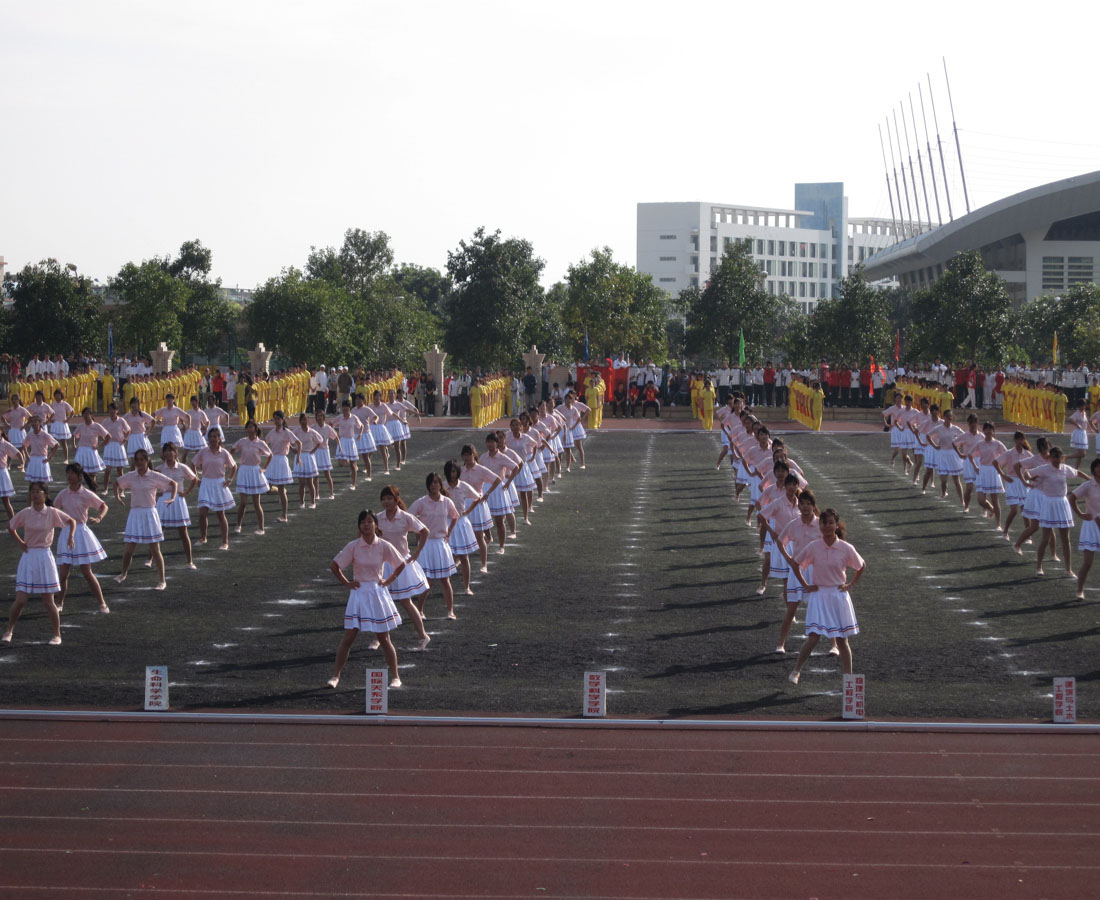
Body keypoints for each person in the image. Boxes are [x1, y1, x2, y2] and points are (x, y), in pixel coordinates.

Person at [327, 509, 406, 689]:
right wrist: (347, 583)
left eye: (370, 521)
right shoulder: (353, 546)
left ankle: (395, 676)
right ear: (359, 526)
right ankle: (335, 676)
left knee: (384, 638)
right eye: (363, 522)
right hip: (359, 594)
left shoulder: (384, 545)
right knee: (349, 638)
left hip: (377, 594)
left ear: (376, 525)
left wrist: (389, 580)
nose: (366, 525)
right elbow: (334, 565)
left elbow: (401, 564)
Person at [787, 508, 865, 684]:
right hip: (819, 595)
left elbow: (861, 566)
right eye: (824, 523)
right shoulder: (814, 546)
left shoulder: (845, 548)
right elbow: (795, 563)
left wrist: (851, 584)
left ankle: (849, 680)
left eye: (831, 523)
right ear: (820, 525)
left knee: (842, 640)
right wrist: (805, 585)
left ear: (837, 525)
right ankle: (796, 671)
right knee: (814, 637)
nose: (827, 526)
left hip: (838, 596)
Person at [4, 482, 76, 645]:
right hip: (28, 556)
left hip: (44, 557)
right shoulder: (26, 513)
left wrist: (71, 536)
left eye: (38, 491)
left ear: (45, 495)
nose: (35, 494)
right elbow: (11, 526)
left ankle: (56, 635)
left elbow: (71, 521)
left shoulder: (51, 512)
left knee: (48, 601)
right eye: (33, 492)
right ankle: (9, 631)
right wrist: (20, 542)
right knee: (20, 600)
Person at [375, 485, 432, 649]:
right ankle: (378, 638)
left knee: (405, 601)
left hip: (400, 563)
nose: (386, 502)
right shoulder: (377, 518)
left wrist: (417, 552)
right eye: (383, 499)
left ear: (396, 499)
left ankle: (423, 635)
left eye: (389, 498)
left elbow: (425, 531)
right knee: (380, 601)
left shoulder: (406, 517)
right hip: (382, 565)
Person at [113, 449, 177, 590]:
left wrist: (173, 497)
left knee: (155, 550)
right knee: (129, 549)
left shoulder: (154, 475)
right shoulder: (131, 476)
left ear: (147, 460)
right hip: (135, 514)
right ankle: (123, 574)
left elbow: (173, 484)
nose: (140, 462)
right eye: (137, 460)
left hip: (150, 513)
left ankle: (162, 580)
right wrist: (117, 497)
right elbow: (116, 483)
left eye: (142, 459)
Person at [54, 462, 110, 613]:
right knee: (63, 574)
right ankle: (59, 603)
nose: (69, 476)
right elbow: (53, 510)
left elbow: (103, 506)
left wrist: (99, 518)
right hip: (66, 533)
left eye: (72, 473)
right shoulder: (63, 494)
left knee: (87, 572)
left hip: (80, 533)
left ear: (79, 476)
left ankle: (102, 603)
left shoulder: (86, 493)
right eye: (68, 473)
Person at [1020, 446, 1082, 578]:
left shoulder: (1065, 469)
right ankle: (1039, 567)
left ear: (1061, 457)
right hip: (1048, 503)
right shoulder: (1044, 468)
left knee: (1065, 539)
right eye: (1053, 457)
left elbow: (1077, 473)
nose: (1056, 459)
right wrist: (1030, 478)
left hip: (1062, 503)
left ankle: (1068, 569)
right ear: (1050, 458)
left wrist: (1091, 479)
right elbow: (1027, 473)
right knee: (1045, 538)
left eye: (1058, 457)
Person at [408, 472, 460, 621]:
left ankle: (450, 611)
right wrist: (418, 531)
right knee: (427, 580)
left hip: (441, 544)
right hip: (426, 544)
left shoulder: (447, 502)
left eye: (436, 482)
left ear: (440, 485)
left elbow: (455, 517)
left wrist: (449, 533)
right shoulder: (421, 502)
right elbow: (408, 517)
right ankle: (419, 610)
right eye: (431, 482)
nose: (434, 485)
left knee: (445, 579)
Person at [443, 459, 484, 596]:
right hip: (446, 523)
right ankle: (447, 588)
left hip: (460, 523)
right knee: (447, 557)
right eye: (449, 472)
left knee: (464, 556)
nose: (452, 474)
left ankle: (467, 587)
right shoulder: (442, 486)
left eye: (454, 471)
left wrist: (468, 511)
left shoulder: (464, 486)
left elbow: (477, 497)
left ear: (458, 472)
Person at [155, 442, 198, 570]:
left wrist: (187, 492)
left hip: (178, 500)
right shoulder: (159, 469)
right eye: (166, 451)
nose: (169, 453)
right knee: (158, 531)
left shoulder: (182, 467)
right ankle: (150, 559)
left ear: (176, 453)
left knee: (183, 532)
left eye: (171, 450)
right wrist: (156, 493)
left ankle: (190, 561)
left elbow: (194, 478)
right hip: (163, 500)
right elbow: (151, 482)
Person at [459, 444, 501, 574]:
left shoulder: (481, 469)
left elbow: (497, 479)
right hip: (463, 504)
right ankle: (459, 559)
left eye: (469, 454)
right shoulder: (460, 470)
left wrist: (487, 494)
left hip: (476, 504)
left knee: (479, 536)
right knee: (462, 535)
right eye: (464, 455)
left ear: (474, 455)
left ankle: (484, 564)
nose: (467, 457)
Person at [193, 429, 236, 550]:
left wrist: (229, 479)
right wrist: (196, 478)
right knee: (202, 514)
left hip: (218, 483)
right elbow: (193, 463)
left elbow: (234, 466)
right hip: (206, 483)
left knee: (220, 514)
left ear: (219, 438)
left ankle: (225, 542)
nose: (212, 439)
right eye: (210, 436)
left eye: (215, 436)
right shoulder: (203, 451)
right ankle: (203, 538)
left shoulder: (224, 453)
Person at [232, 420, 272, 534]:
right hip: (244, 471)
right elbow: (233, 450)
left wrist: (264, 468)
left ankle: (261, 528)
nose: (249, 429)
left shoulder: (260, 443)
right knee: (243, 502)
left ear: (255, 429)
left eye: (251, 427)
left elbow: (270, 455)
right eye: (248, 427)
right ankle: (238, 525)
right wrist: (231, 453)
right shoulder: (242, 441)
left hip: (255, 471)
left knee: (256, 503)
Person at [1071, 457, 1100, 600]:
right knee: (1087, 563)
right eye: (1099, 466)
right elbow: (1072, 497)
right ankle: (1079, 591)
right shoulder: (1088, 485)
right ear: (1094, 469)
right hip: (1091, 526)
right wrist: (1080, 514)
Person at [264, 411, 301, 524]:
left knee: (281, 490)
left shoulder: (287, 432)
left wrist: (298, 457)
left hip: (281, 461)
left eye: (278, 419)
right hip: (272, 460)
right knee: (266, 487)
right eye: (274, 419)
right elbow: (264, 444)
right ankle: (279, 490)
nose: (276, 421)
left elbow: (299, 443)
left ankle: (284, 515)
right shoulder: (271, 432)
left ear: (282, 419)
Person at [290, 412, 323, 509]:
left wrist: (314, 450)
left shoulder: (312, 431)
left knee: (310, 482)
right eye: (302, 420)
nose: (304, 422)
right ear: (299, 421)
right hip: (300, 456)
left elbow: (320, 440)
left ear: (308, 421)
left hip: (309, 457)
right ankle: (302, 502)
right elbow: (288, 439)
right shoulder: (296, 431)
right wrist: (293, 449)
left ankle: (313, 502)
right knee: (301, 483)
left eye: (305, 420)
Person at [100, 403, 130, 496]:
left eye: (113, 409)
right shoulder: (105, 421)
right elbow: (100, 431)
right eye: (110, 409)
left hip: (118, 445)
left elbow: (128, 430)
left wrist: (125, 439)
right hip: (109, 446)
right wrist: (104, 440)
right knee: (107, 470)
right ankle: (105, 489)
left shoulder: (121, 421)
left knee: (120, 470)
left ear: (117, 411)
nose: (112, 411)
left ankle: (122, 490)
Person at [23, 416, 59, 484]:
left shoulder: (45, 435)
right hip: (33, 460)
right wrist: (27, 456)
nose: (33, 423)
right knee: (32, 483)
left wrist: (50, 457)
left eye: (35, 421)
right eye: (32, 422)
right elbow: (24, 445)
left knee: (43, 483)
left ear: (40, 423)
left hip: (42, 460)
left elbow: (56, 445)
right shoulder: (30, 435)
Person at [313, 409, 338, 500]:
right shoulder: (313, 427)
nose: (319, 418)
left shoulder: (328, 428)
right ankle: (316, 494)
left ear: (323, 417)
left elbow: (336, 437)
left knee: (327, 474)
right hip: (315, 452)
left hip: (324, 452)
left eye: (321, 416)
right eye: (318, 416)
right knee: (315, 475)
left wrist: (340, 448)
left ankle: (331, 493)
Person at [0, 426, 24, 519]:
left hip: (2, 474)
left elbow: (18, 453)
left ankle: (13, 521)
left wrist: (22, 463)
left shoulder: (5, 444)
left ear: (1, 431)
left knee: (5, 501)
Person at [48, 389, 75, 463]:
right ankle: (50, 457)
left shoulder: (65, 404)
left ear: (61, 395)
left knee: (63, 442)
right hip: (55, 425)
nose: (57, 396)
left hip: (62, 424)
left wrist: (68, 419)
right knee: (53, 442)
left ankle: (66, 459)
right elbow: (47, 412)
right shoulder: (52, 404)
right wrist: (49, 420)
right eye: (56, 395)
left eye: (59, 395)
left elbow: (72, 411)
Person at [181, 396, 209, 464]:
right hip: (189, 433)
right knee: (185, 452)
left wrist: (206, 429)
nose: (193, 403)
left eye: (194, 401)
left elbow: (207, 422)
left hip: (197, 433)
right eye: (191, 402)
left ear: (197, 402)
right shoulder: (189, 412)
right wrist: (184, 425)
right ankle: (183, 466)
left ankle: (199, 467)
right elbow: (181, 418)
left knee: (199, 453)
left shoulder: (201, 412)